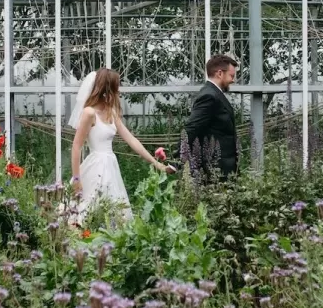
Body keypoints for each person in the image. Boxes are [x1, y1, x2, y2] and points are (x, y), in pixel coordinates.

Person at [69, 67, 174, 218]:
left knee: (114, 212)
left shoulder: (111, 111)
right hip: (96, 166)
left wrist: (157, 164)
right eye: (116, 87)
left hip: (111, 165)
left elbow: (131, 139)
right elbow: (76, 146)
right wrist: (77, 178)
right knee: (89, 210)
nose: (118, 91)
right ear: (107, 88)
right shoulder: (89, 113)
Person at [183, 53, 239, 178]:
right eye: (231, 75)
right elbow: (192, 127)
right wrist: (177, 159)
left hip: (223, 168)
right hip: (215, 169)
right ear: (220, 73)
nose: (233, 80)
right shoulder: (209, 96)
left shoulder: (214, 94)